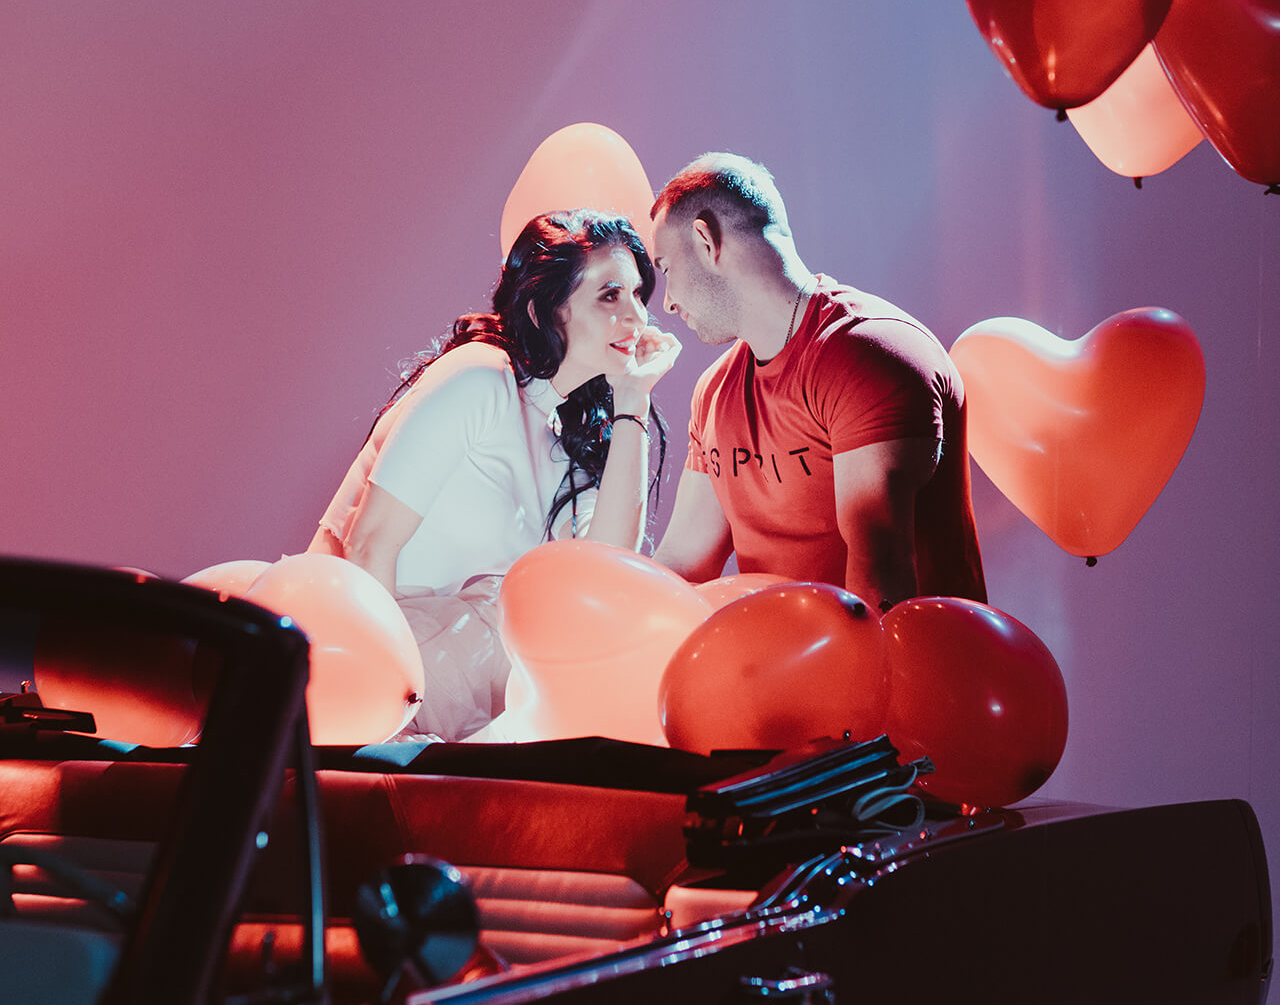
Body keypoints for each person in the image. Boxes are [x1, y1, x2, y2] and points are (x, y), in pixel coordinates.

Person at [310, 210, 679, 740]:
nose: (637, 317)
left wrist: (633, 399)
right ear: (542, 309)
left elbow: (605, 575)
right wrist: (377, 707)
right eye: (609, 295)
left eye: (638, 294)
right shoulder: (480, 377)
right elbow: (368, 544)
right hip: (364, 655)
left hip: (458, 679)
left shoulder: (562, 439)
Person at [650, 154, 985, 610]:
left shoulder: (868, 354)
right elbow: (684, 565)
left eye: (666, 269)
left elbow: (879, 591)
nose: (667, 303)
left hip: (909, 656)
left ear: (705, 241)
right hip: (784, 655)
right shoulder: (713, 392)